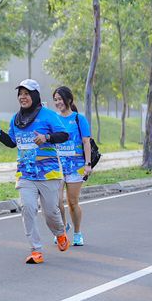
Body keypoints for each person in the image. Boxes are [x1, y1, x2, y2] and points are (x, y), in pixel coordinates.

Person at [0, 79, 71, 264]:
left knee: (50, 212)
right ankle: (36, 250)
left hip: (48, 174)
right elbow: (12, 142)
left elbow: (64, 135)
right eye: (20, 94)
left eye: (26, 94)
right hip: (25, 174)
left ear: (34, 95)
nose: (22, 97)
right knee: (27, 208)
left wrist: (46, 137)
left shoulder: (48, 115)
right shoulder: (16, 119)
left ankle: (60, 232)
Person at [53, 86, 92, 247]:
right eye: (55, 100)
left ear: (68, 100)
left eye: (60, 99)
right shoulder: (53, 119)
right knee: (56, 202)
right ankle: (62, 230)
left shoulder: (78, 119)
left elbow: (86, 142)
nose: (58, 102)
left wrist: (88, 164)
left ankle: (77, 233)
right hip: (57, 166)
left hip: (76, 166)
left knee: (73, 202)